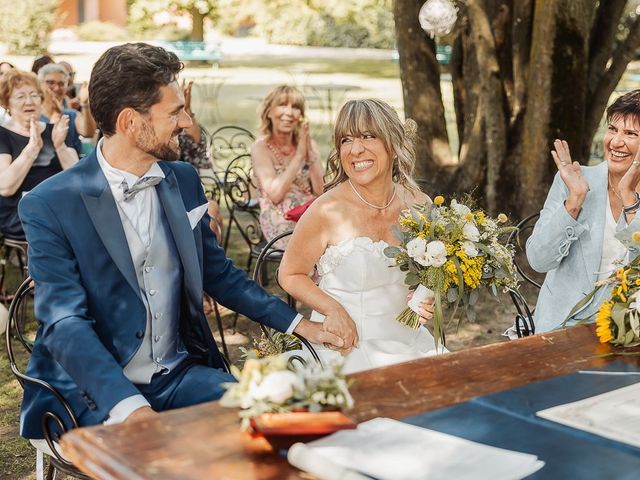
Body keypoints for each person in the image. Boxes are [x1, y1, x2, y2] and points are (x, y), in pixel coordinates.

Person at [17, 42, 346, 440]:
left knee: (283, 426)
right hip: (91, 394)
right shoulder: (49, 204)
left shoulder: (182, 179)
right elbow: (64, 322)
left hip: (178, 376)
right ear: (130, 122)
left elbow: (218, 274)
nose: (187, 120)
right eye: (175, 111)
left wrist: (300, 325)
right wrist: (130, 408)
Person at [279, 99, 440, 374]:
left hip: (408, 342)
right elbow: (289, 274)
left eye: (368, 136)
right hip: (344, 348)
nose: (355, 150)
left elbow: (434, 268)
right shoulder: (326, 210)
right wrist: (333, 309)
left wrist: (427, 294)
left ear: (393, 143)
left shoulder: (419, 204)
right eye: (346, 139)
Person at [527, 89, 640, 332]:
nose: (616, 142)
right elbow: (538, 260)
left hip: (628, 332)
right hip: (560, 326)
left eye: (630, 133)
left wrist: (630, 200)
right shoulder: (575, 181)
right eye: (612, 129)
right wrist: (574, 202)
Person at [0, 70, 77, 240]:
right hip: (21, 213)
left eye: (34, 95)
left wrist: (60, 146)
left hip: (59, 207)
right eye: (20, 97)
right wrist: (32, 148)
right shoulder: (2, 135)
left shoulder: (55, 131)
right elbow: (5, 187)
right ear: (7, 103)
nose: (29, 101)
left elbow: (78, 177)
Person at [251, 85, 324, 247]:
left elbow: (321, 191)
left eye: (296, 107)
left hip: (310, 213)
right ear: (269, 112)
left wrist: (310, 153)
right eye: (282, 105)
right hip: (280, 218)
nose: (289, 113)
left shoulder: (308, 145)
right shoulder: (260, 148)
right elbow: (275, 194)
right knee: (314, 244)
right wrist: (299, 156)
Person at [38, 63, 96, 155]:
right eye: (51, 83)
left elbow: (89, 133)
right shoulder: (32, 116)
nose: (56, 88)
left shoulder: (71, 115)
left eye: (61, 84)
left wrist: (85, 104)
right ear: (40, 84)